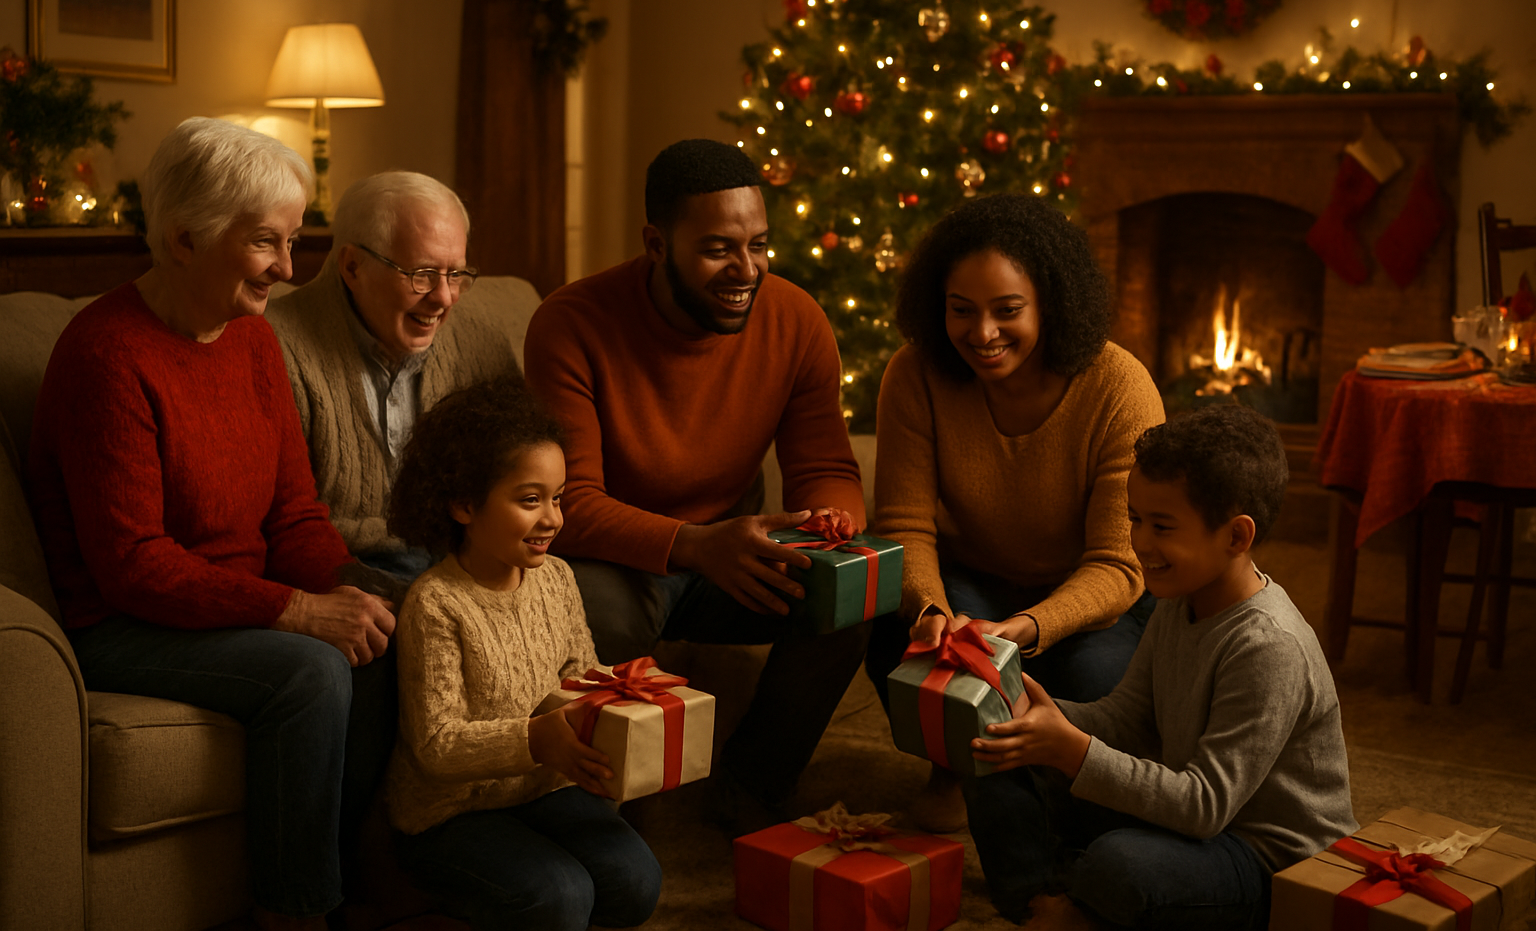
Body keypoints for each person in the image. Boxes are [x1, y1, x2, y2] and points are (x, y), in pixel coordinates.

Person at [27, 118, 394, 931]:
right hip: (123, 621)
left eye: (294, 240)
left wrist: (358, 588)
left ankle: (372, 876)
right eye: (266, 241)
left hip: (231, 597)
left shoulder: (254, 340)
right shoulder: (107, 355)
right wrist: (297, 611)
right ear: (186, 238)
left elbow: (294, 515)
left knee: (393, 616)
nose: (288, 268)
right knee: (312, 672)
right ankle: (293, 914)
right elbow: (133, 565)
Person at [523, 138, 868, 825]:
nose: (747, 270)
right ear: (656, 243)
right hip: (612, 559)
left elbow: (826, 467)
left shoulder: (795, 319)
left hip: (730, 552)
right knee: (603, 614)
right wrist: (697, 544)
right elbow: (573, 505)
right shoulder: (571, 324)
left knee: (851, 596)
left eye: (759, 244)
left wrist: (832, 526)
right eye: (719, 249)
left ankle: (750, 790)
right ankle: (593, 807)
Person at [962, 406, 1357, 928]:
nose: (1140, 543)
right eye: (1135, 519)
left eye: (1162, 526)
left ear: (1237, 537)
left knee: (1122, 863)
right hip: (1193, 826)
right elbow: (1128, 718)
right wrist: (1029, 711)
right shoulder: (1179, 597)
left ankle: (1079, 900)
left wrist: (1073, 752)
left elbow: (1204, 805)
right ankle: (1040, 902)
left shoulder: (1268, 647)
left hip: (1267, 863)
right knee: (993, 743)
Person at [865, 193, 1164, 830]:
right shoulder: (914, 375)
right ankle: (953, 772)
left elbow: (1118, 562)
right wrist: (931, 614)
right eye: (961, 311)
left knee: (1097, 683)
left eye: (1008, 311)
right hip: (972, 577)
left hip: (1094, 599)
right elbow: (905, 525)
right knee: (894, 638)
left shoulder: (1119, 386)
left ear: (1049, 303)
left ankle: (1059, 801)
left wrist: (1024, 628)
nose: (982, 334)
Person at [383, 377, 662, 931]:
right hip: (452, 812)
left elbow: (579, 678)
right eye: (530, 500)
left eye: (557, 498)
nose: (553, 519)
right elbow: (437, 746)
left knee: (637, 882)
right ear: (464, 503)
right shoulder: (436, 603)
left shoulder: (556, 578)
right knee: (559, 897)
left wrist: (626, 699)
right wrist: (535, 738)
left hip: (542, 787)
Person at [266, 171, 518, 585]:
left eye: (455, 274)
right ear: (352, 266)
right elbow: (278, 525)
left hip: (461, 558)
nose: (444, 298)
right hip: (341, 569)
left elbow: (514, 474)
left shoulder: (481, 341)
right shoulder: (278, 346)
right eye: (421, 275)